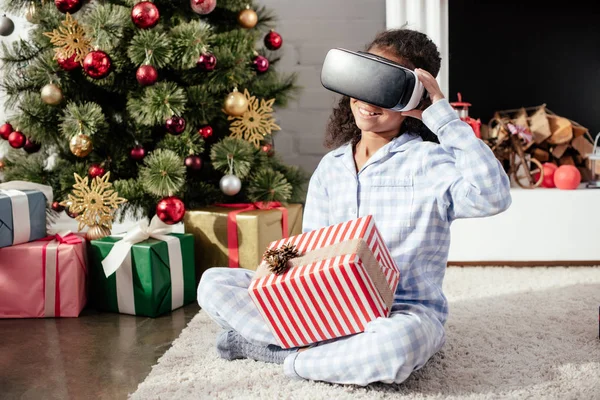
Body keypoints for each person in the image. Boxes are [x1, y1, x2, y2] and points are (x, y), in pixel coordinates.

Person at [197, 28, 511, 386]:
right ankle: (333, 350)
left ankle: (283, 354)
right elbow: (310, 252)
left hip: (402, 313)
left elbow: (493, 195)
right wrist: (280, 286)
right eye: (367, 78)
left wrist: (442, 117)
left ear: (414, 99)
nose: (368, 98)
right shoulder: (331, 167)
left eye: (386, 87)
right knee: (214, 283)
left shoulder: (430, 162)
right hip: (330, 306)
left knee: (395, 348)